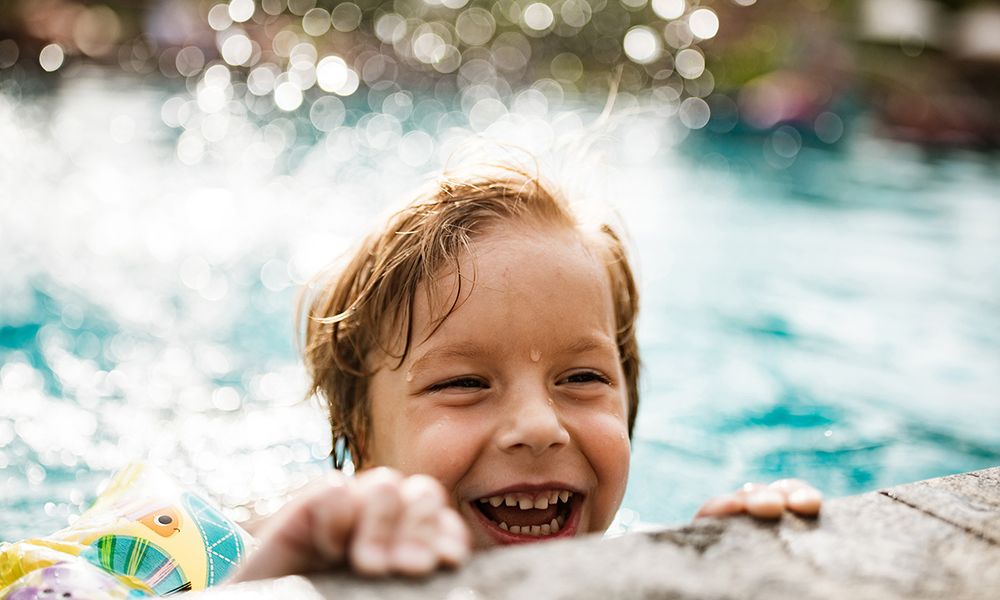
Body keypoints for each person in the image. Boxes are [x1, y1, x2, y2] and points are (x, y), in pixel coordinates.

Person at [232, 160, 822, 583]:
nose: (540, 427)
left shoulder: (625, 565)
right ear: (362, 441)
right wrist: (277, 580)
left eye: (583, 379)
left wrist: (716, 569)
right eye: (463, 383)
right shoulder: (285, 555)